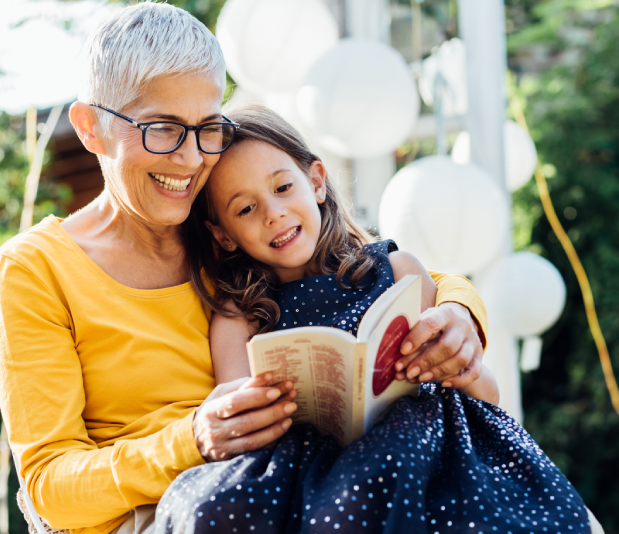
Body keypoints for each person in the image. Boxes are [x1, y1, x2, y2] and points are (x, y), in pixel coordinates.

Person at [0, 4, 490, 533]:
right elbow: (49, 489)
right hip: (167, 514)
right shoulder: (33, 268)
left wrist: (458, 310)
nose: (189, 159)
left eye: (208, 127)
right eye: (162, 128)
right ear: (91, 127)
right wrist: (192, 439)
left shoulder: (233, 224)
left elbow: (372, 265)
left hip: (290, 488)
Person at [151, 106, 593, 534]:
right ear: (223, 235)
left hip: (415, 447)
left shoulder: (398, 271)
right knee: (211, 509)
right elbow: (241, 429)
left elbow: (486, 399)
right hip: (305, 466)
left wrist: (461, 365)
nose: (273, 213)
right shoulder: (238, 317)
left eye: (283, 188)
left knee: (385, 471)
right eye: (245, 209)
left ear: (316, 181)